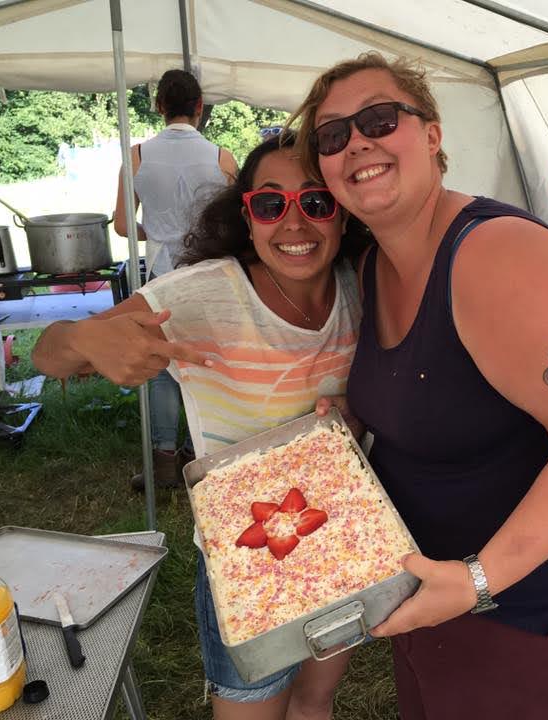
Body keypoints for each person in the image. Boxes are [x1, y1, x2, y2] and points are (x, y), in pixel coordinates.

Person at [291, 53, 548, 720]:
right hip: (441, 591)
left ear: (432, 135)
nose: (359, 143)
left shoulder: (494, 258)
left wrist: (476, 580)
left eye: (379, 118)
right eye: (334, 135)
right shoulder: (376, 264)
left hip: (541, 605)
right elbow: (447, 393)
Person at [32, 130, 366, 720]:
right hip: (245, 562)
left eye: (316, 201)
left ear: (343, 210)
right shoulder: (202, 295)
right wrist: (84, 337)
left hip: (342, 545)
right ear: (247, 215)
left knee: (316, 703)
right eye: (270, 203)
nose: (294, 222)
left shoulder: (361, 289)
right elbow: (48, 353)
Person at [113, 68, 239, 490]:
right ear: (200, 107)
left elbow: (122, 226)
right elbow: (238, 222)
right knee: (202, 361)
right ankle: (197, 451)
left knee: (161, 364)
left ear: (160, 106)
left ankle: (164, 459)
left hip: (161, 273)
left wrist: (159, 231)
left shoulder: (137, 156)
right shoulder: (222, 157)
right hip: (210, 273)